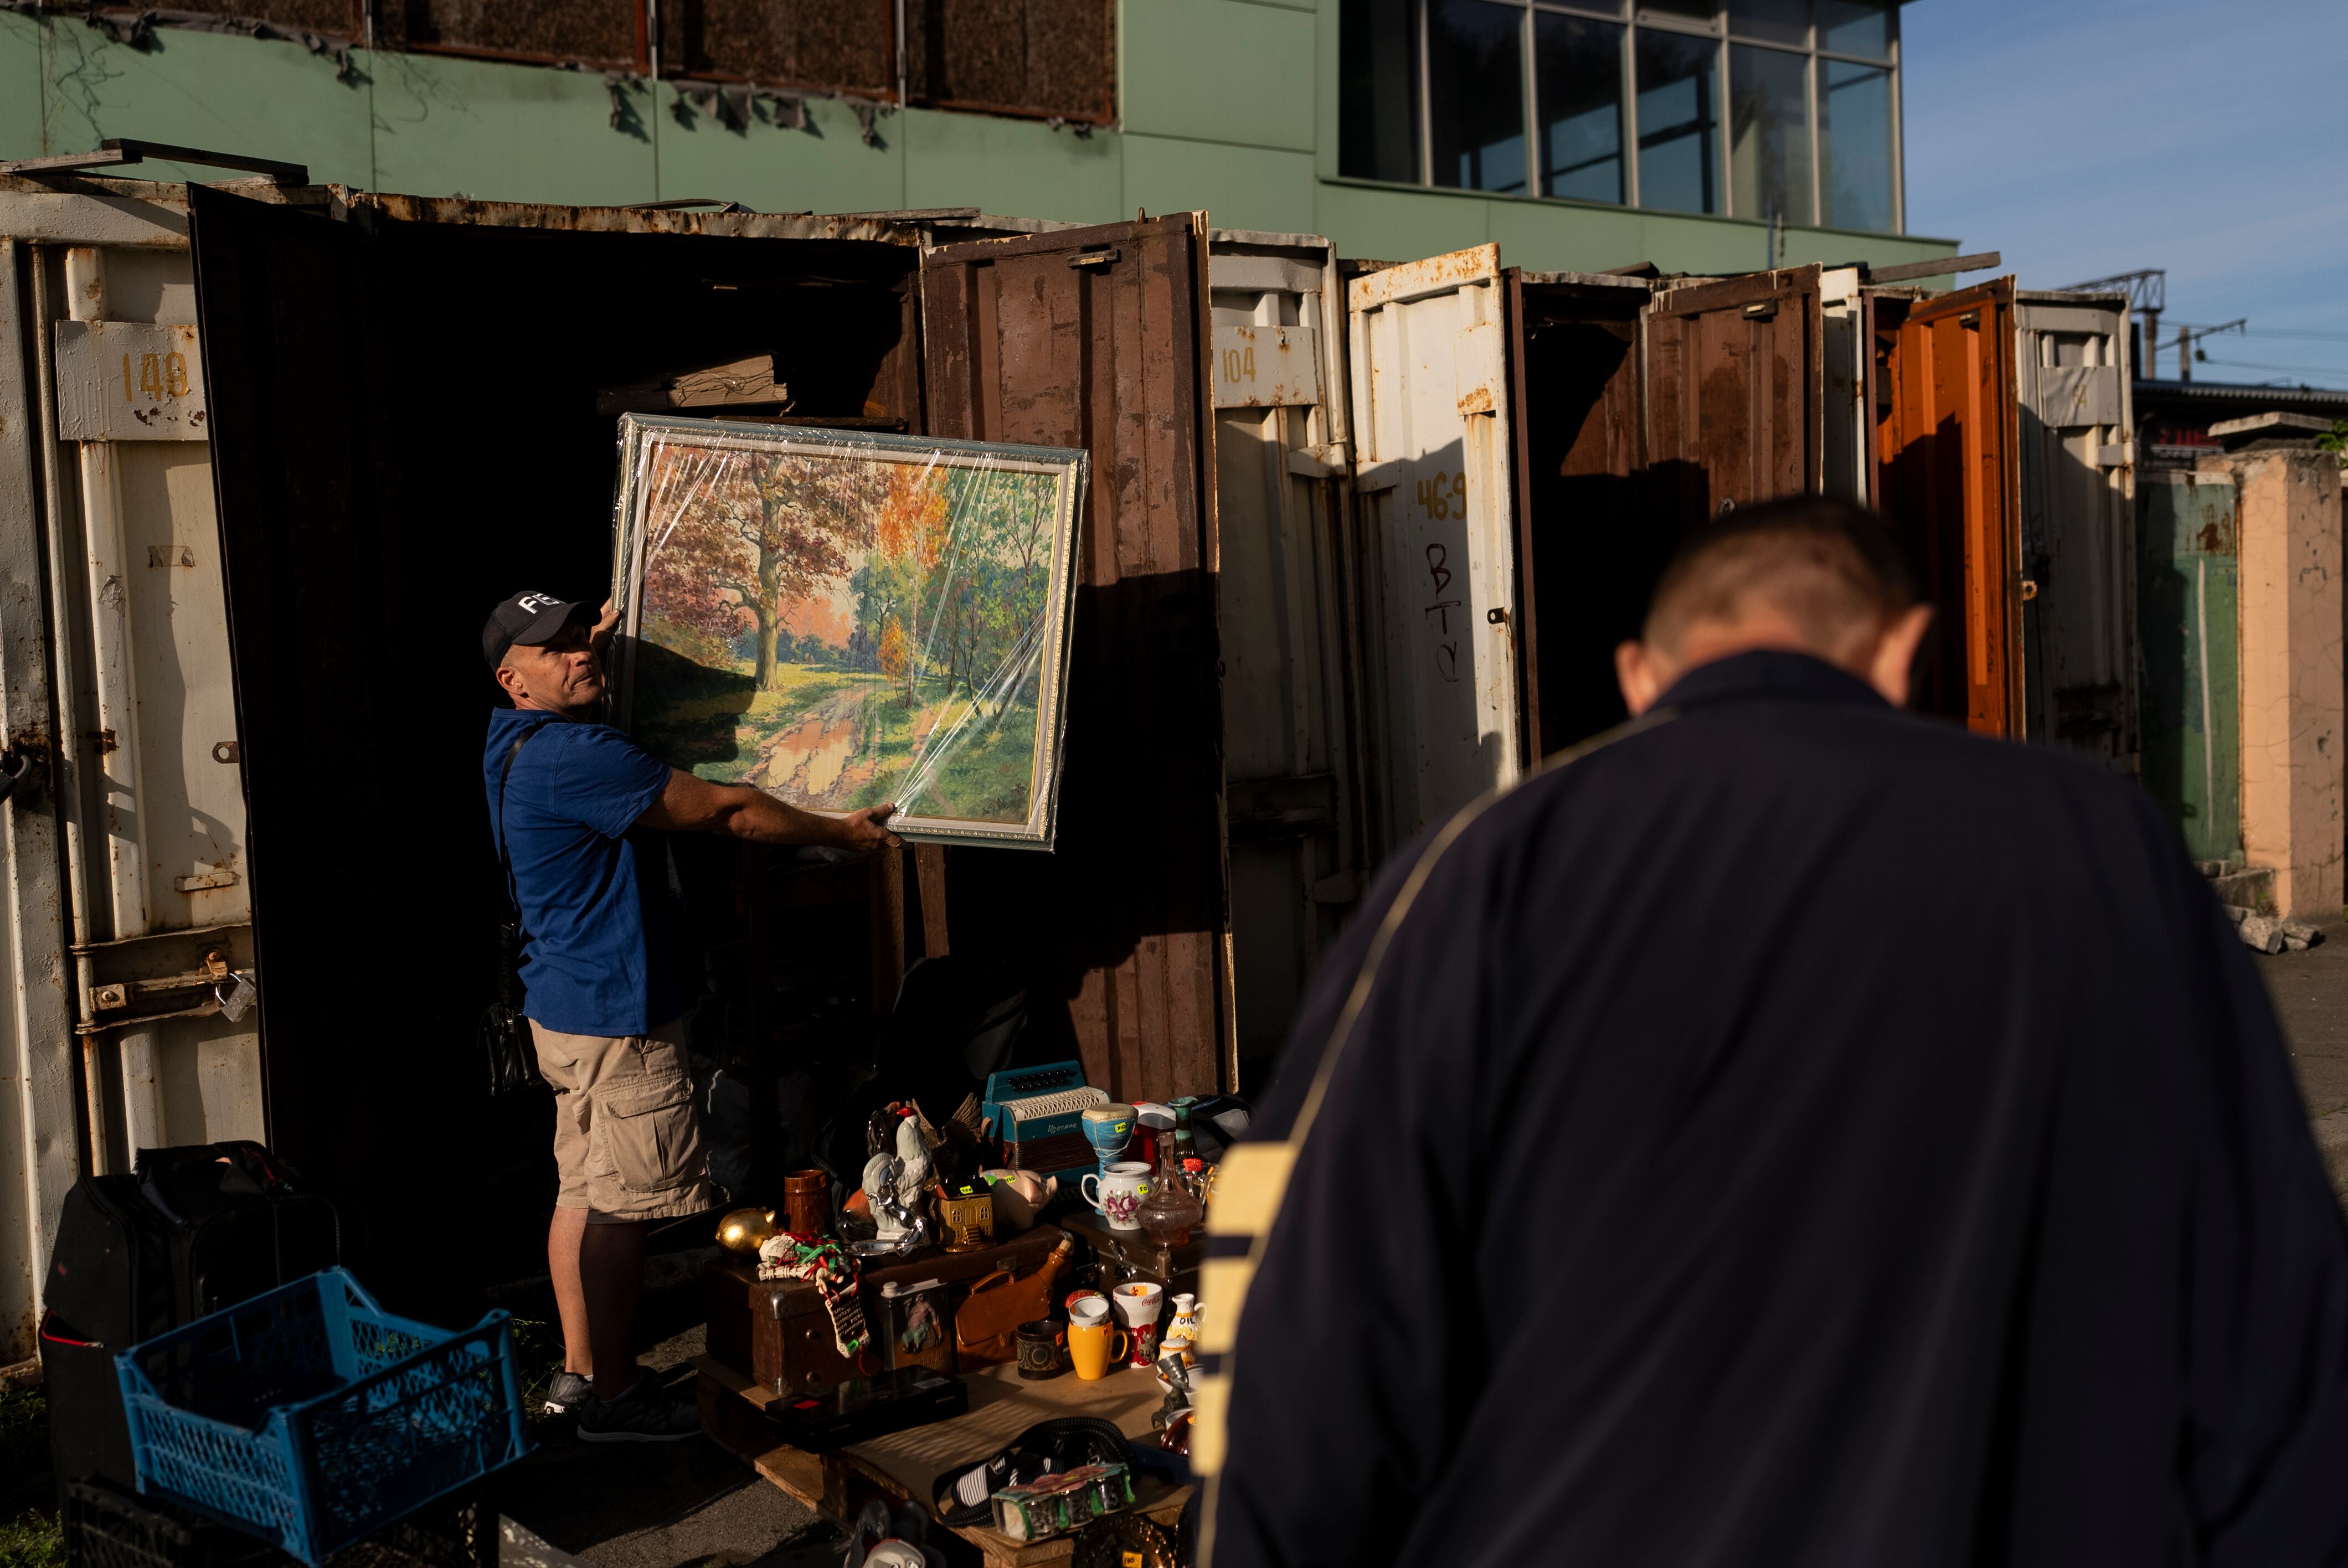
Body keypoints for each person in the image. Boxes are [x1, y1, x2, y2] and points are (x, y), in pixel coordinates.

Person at [1193, 498, 2348, 1564]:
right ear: (1900, 650)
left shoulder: (1482, 871)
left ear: (1639, 676)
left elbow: (1299, 1326)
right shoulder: (2102, 846)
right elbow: (2280, 1327)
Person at [482, 590, 900, 1442]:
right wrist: (841, 829)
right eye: (553, 650)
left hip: (565, 1006)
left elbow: (575, 672)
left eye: (580, 636)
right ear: (512, 680)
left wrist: (599, 638)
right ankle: (617, 1399)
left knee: (582, 1190)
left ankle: (580, 1373)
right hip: (616, 1014)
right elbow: (727, 809)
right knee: (621, 1208)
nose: (578, 652)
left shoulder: (514, 742)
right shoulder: (578, 756)